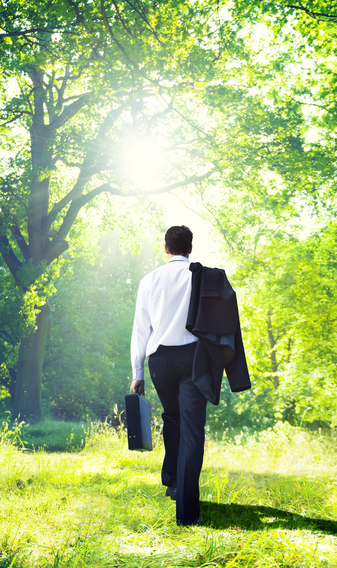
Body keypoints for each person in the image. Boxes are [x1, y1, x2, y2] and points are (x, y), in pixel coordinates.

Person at [130, 225, 205, 526]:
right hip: (192, 358)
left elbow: (140, 328)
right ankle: (186, 503)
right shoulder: (201, 276)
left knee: (172, 417)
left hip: (159, 358)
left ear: (165, 248)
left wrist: (137, 372)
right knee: (192, 426)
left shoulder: (149, 280)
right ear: (190, 247)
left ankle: (173, 481)